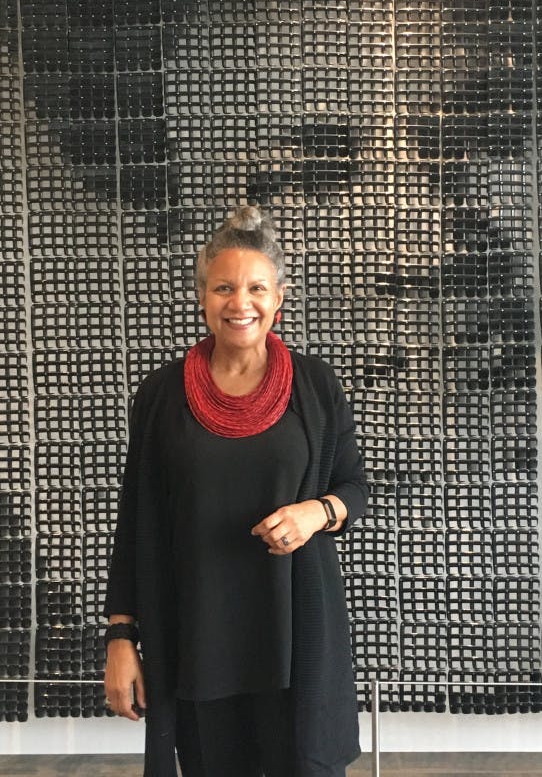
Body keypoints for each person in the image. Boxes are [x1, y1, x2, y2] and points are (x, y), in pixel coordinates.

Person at [103, 205, 369, 777]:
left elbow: (354, 487)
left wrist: (315, 512)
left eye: (256, 288)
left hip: (297, 639)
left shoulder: (316, 385)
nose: (239, 302)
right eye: (224, 287)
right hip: (199, 641)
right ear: (202, 297)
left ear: (279, 297)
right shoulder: (161, 395)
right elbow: (136, 522)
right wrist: (121, 637)